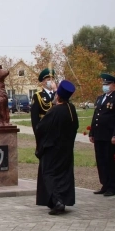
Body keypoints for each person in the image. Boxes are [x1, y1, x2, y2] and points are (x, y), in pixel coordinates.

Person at [35, 80, 79, 215]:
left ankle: (57, 201)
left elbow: (40, 128)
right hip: (66, 149)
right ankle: (63, 201)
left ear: (58, 96)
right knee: (63, 175)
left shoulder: (55, 111)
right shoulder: (71, 109)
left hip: (53, 149)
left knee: (48, 174)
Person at [89, 73, 115, 197]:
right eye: (104, 84)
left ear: (114, 85)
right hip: (99, 135)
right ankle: (104, 184)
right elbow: (96, 116)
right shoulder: (100, 98)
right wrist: (92, 132)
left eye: (107, 84)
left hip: (109, 136)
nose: (105, 86)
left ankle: (112, 187)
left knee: (111, 162)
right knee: (101, 160)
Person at [30, 68, 57, 141]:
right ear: (43, 82)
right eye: (48, 79)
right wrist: (37, 134)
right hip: (44, 130)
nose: (51, 82)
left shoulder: (57, 95)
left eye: (52, 79)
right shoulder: (38, 95)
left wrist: (56, 91)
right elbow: (34, 118)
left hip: (57, 130)